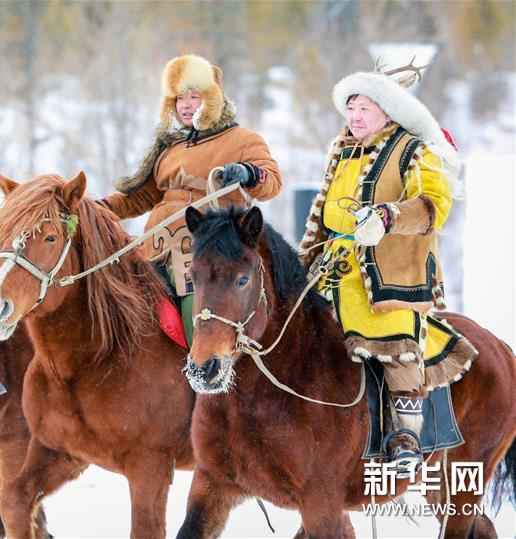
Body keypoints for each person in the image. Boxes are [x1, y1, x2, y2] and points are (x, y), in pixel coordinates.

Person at [298, 65, 476, 471]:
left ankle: (406, 435)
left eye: (364, 107)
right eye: (350, 108)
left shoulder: (414, 149)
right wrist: (303, 260)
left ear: (387, 110)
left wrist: (389, 216)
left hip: (392, 278)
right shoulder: (341, 150)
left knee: (393, 339)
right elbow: (322, 217)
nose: (354, 116)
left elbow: (435, 205)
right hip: (334, 271)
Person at [98, 54, 282, 345]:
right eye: (178, 98)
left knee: (194, 321)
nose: (184, 105)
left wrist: (248, 173)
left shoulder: (242, 140)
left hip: (205, 253)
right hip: (156, 248)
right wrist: (99, 209)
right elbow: (140, 197)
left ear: (212, 98)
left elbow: (271, 184)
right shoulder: (171, 147)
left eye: (193, 96)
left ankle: (201, 373)